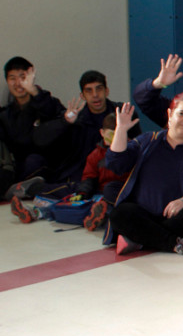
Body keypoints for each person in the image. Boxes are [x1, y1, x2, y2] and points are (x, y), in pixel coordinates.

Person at [103, 96, 183, 256]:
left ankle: (139, 240)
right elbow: (115, 164)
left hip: (176, 217)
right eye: (181, 114)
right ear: (170, 114)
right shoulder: (147, 140)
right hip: (143, 215)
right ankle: (176, 244)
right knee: (120, 214)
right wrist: (121, 130)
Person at [28, 70, 140, 190]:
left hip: (116, 171)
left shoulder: (123, 113)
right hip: (82, 174)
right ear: (82, 96)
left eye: (99, 89)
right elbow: (40, 139)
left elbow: (137, 146)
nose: (95, 95)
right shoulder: (76, 117)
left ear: (106, 91)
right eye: (89, 90)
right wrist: (65, 122)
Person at [10, 113, 128, 227]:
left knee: (96, 206)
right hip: (96, 191)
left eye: (118, 134)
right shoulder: (96, 155)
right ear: (102, 133)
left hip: (115, 194)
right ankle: (36, 208)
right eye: (111, 135)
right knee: (72, 197)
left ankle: (96, 217)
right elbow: (89, 177)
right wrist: (83, 193)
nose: (114, 139)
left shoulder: (131, 150)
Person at [0, 57, 65, 192]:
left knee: (34, 160)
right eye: (12, 78)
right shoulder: (5, 114)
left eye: (23, 77)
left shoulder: (46, 101)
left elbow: (53, 113)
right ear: (7, 81)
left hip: (46, 167)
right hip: (17, 168)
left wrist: (34, 91)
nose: (18, 83)